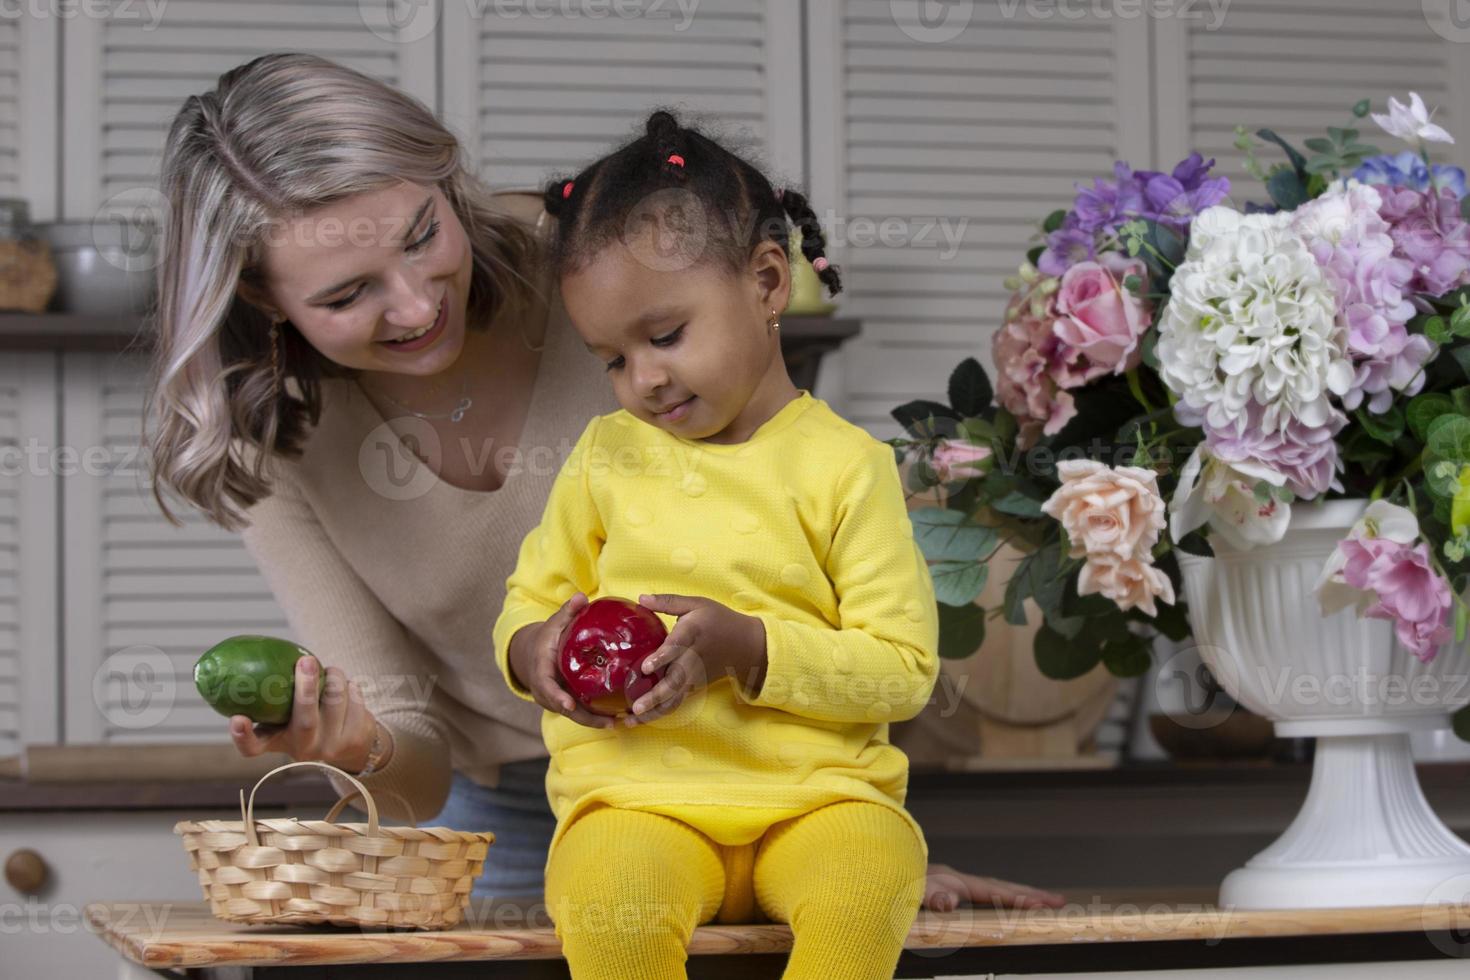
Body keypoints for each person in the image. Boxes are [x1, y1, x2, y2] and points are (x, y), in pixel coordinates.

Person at [143, 52, 1065, 920]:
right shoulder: (273, 439)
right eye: (348, 295)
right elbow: (412, 759)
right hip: (502, 821)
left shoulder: (597, 261)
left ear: (443, 177)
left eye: (425, 235)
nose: (420, 305)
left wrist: (843, 849)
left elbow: (810, 564)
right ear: (263, 300)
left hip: (765, 768)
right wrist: (355, 748)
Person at [490, 108, 1001, 979]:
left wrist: (751, 648)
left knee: (867, 885)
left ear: (768, 282)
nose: (642, 379)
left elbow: (904, 669)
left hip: (817, 806)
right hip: (636, 805)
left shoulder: (848, 467)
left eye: (664, 337)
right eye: (611, 358)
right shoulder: (605, 456)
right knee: (609, 910)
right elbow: (530, 603)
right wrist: (534, 650)